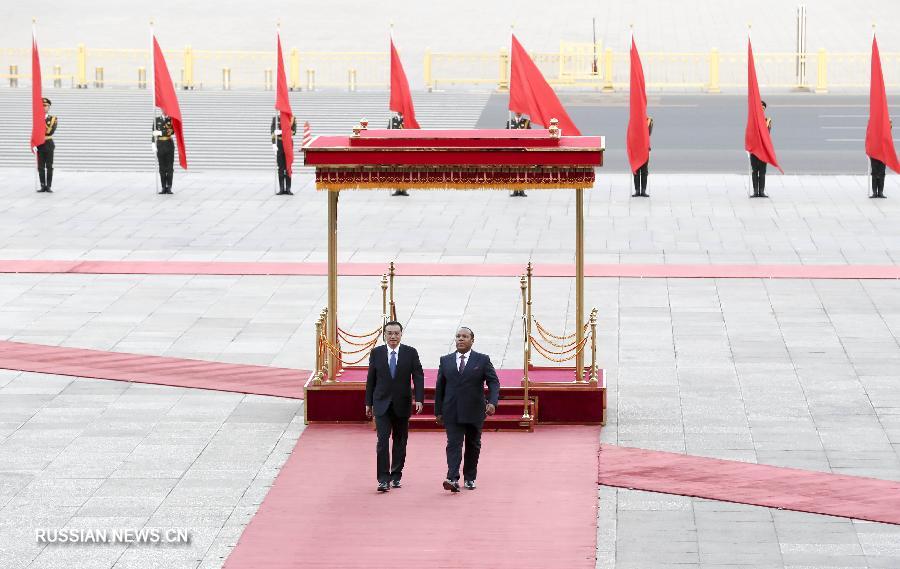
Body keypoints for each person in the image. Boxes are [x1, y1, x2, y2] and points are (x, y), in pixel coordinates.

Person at [434, 327, 500, 492]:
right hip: (452, 410)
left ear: (472, 340)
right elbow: (439, 387)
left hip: (474, 410)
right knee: (453, 444)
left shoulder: (482, 360)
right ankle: (452, 478)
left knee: (473, 445)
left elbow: (493, 382)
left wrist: (492, 402)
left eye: (464, 336)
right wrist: (438, 411)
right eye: (458, 336)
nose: (460, 339)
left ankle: (470, 478)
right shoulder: (445, 360)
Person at [365, 321, 425, 493]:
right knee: (382, 442)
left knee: (400, 441)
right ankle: (383, 479)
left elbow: (418, 376)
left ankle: (396, 475)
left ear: (401, 334)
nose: (393, 336)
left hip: (402, 403)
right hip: (381, 404)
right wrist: (368, 403)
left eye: (396, 333)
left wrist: (419, 398)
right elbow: (371, 379)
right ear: (384, 335)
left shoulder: (410, 352)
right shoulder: (376, 353)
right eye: (389, 333)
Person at [750, 101, 773, 198]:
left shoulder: (767, 120)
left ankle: (761, 191)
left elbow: (767, 134)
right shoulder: (753, 120)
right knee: (755, 170)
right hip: (755, 150)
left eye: (763, 109)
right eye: (760, 109)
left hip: (763, 150)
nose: (761, 110)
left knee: (762, 171)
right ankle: (755, 191)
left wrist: (765, 124)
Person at [271, 113, 297, 195]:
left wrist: (282, 131)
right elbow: (272, 132)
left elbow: (294, 132)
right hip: (279, 143)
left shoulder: (292, 118)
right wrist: (273, 144)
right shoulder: (275, 118)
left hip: (288, 143)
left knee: (288, 166)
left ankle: (288, 188)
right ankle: (281, 188)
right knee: (281, 166)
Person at [506, 112, 531, 197]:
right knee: (514, 170)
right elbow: (505, 134)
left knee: (522, 170)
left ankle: (522, 190)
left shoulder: (526, 122)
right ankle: (515, 190)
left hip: (522, 149)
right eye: (516, 111)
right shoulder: (510, 122)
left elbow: (530, 134)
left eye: (519, 111)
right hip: (513, 149)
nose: (518, 113)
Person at [36, 97, 57, 193]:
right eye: (42, 106)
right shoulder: (37, 118)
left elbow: (49, 131)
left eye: (45, 106)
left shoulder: (53, 119)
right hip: (40, 144)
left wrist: (42, 121)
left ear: (49, 107)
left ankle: (48, 186)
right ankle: (42, 185)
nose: (44, 107)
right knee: (40, 166)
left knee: (49, 166)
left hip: (48, 143)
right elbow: (35, 131)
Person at [152, 113, 175, 194]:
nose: (164, 110)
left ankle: (169, 187)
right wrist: (153, 144)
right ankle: (163, 187)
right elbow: (153, 133)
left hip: (169, 144)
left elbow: (171, 131)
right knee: (161, 167)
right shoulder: (156, 120)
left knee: (169, 167)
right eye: (163, 108)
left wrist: (160, 133)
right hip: (160, 144)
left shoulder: (171, 119)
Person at [388, 112, 409, 196]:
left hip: (405, 148)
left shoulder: (407, 120)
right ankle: (397, 189)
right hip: (395, 147)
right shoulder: (392, 120)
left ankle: (404, 189)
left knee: (405, 169)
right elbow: (388, 132)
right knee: (396, 169)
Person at [870, 120, 892, 199]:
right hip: (875, 153)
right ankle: (874, 192)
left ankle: (880, 192)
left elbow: (889, 130)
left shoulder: (885, 128)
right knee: (874, 173)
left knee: (882, 173)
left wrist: (888, 123)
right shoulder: (873, 128)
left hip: (883, 153)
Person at [632, 116, 654, 198]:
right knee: (636, 170)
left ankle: (643, 190)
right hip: (636, 150)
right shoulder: (634, 121)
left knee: (644, 171)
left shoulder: (648, 121)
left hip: (644, 149)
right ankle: (637, 190)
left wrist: (647, 121)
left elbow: (649, 132)